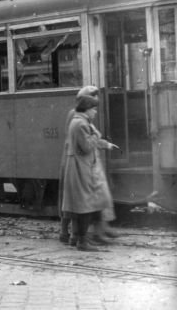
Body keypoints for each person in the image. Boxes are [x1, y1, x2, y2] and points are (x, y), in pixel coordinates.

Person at [61, 93, 118, 251]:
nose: (95, 112)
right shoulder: (80, 124)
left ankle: (80, 239)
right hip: (81, 167)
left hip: (81, 165)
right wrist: (97, 135)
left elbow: (88, 142)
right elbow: (86, 146)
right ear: (86, 109)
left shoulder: (81, 121)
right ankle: (82, 241)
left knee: (84, 204)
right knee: (84, 205)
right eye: (94, 109)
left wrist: (106, 145)